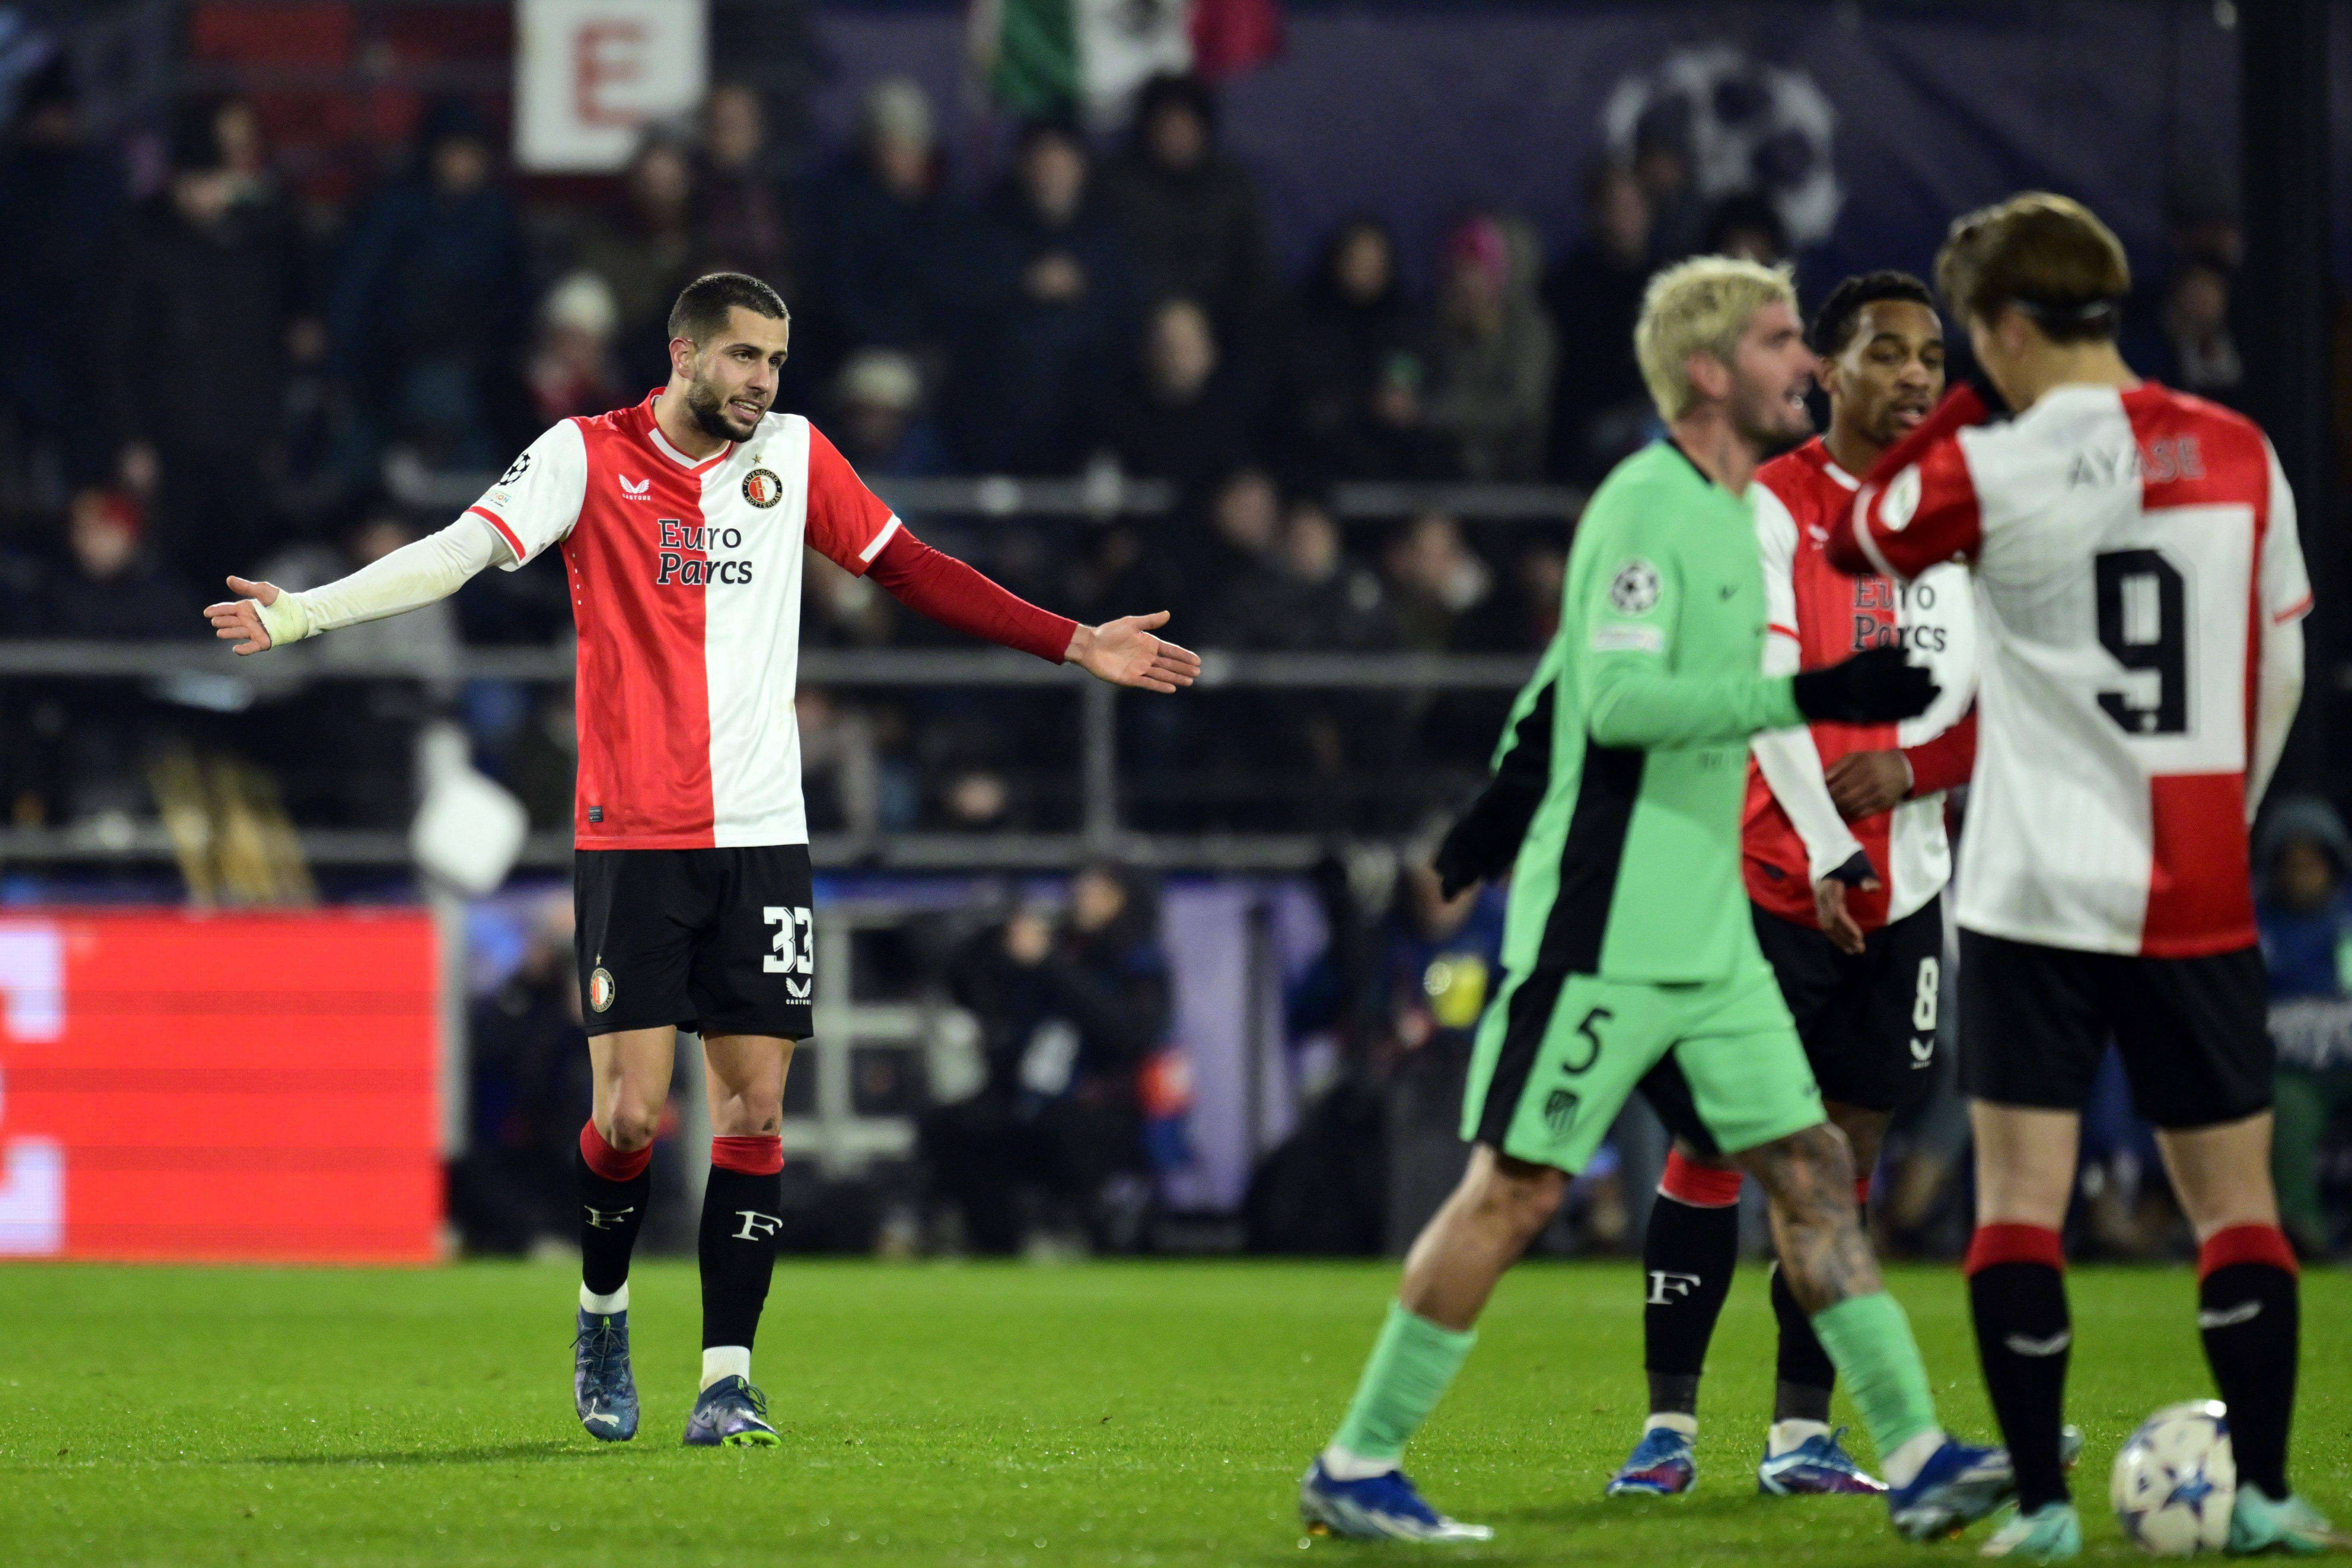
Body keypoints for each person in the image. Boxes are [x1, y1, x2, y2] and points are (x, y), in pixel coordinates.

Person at [202, 273, 1200, 1449]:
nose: (760, 380)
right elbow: (457, 554)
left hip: (765, 837)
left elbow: (911, 565)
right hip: (632, 837)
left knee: (755, 1102)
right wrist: (304, 613)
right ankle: (603, 1308)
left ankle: (728, 1376)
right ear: (681, 352)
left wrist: (1074, 639)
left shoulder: (795, 456)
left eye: (774, 360)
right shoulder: (584, 455)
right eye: (740, 356)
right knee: (628, 1117)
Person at [1296, 256, 2008, 1545]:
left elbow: (1558, 684)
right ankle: (1356, 1458)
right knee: (1510, 1191)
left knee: (1809, 1173)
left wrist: (1484, 817)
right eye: (1783, 339)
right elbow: (1617, 703)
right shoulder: (1642, 503)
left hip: (1709, 935)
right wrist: (1806, 693)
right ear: (1705, 370)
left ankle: (1914, 1449)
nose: (1806, 361)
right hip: (1606, 927)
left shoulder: (1742, 512)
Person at [1827, 193, 2336, 1559]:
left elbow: (1856, 534)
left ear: (1996, 327)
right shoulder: (2235, 450)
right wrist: (2218, 807)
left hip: (2032, 882)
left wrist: (1958, 412)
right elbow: (2278, 660)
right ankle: (2270, 1493)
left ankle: (2044, 1515)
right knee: (2232, 1203)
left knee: (2017, 1199)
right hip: (2187, 878)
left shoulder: (1989, 467)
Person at [1603, 271, 1978, 1501]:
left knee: (1844, 1158)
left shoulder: (1955, 522)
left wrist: (1913, 777)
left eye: (1930, 353)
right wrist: (1824, 843)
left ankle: (1799, 1437)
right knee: (1715, 1144)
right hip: (1769, 876)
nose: (1914, 373)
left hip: (1908, 887)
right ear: (1825, 366)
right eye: (1885, 350)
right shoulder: (1768, 508)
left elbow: (1980, 704)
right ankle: (1665, 1427)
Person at [2257, 799, 2352, 1258]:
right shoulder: (2254, 923)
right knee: (2286, 1109)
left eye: (2311, 864)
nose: (2301, 875)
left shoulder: (2348, 920)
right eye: (2290, 865)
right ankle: (2304, 1231)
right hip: (2293, 1073)